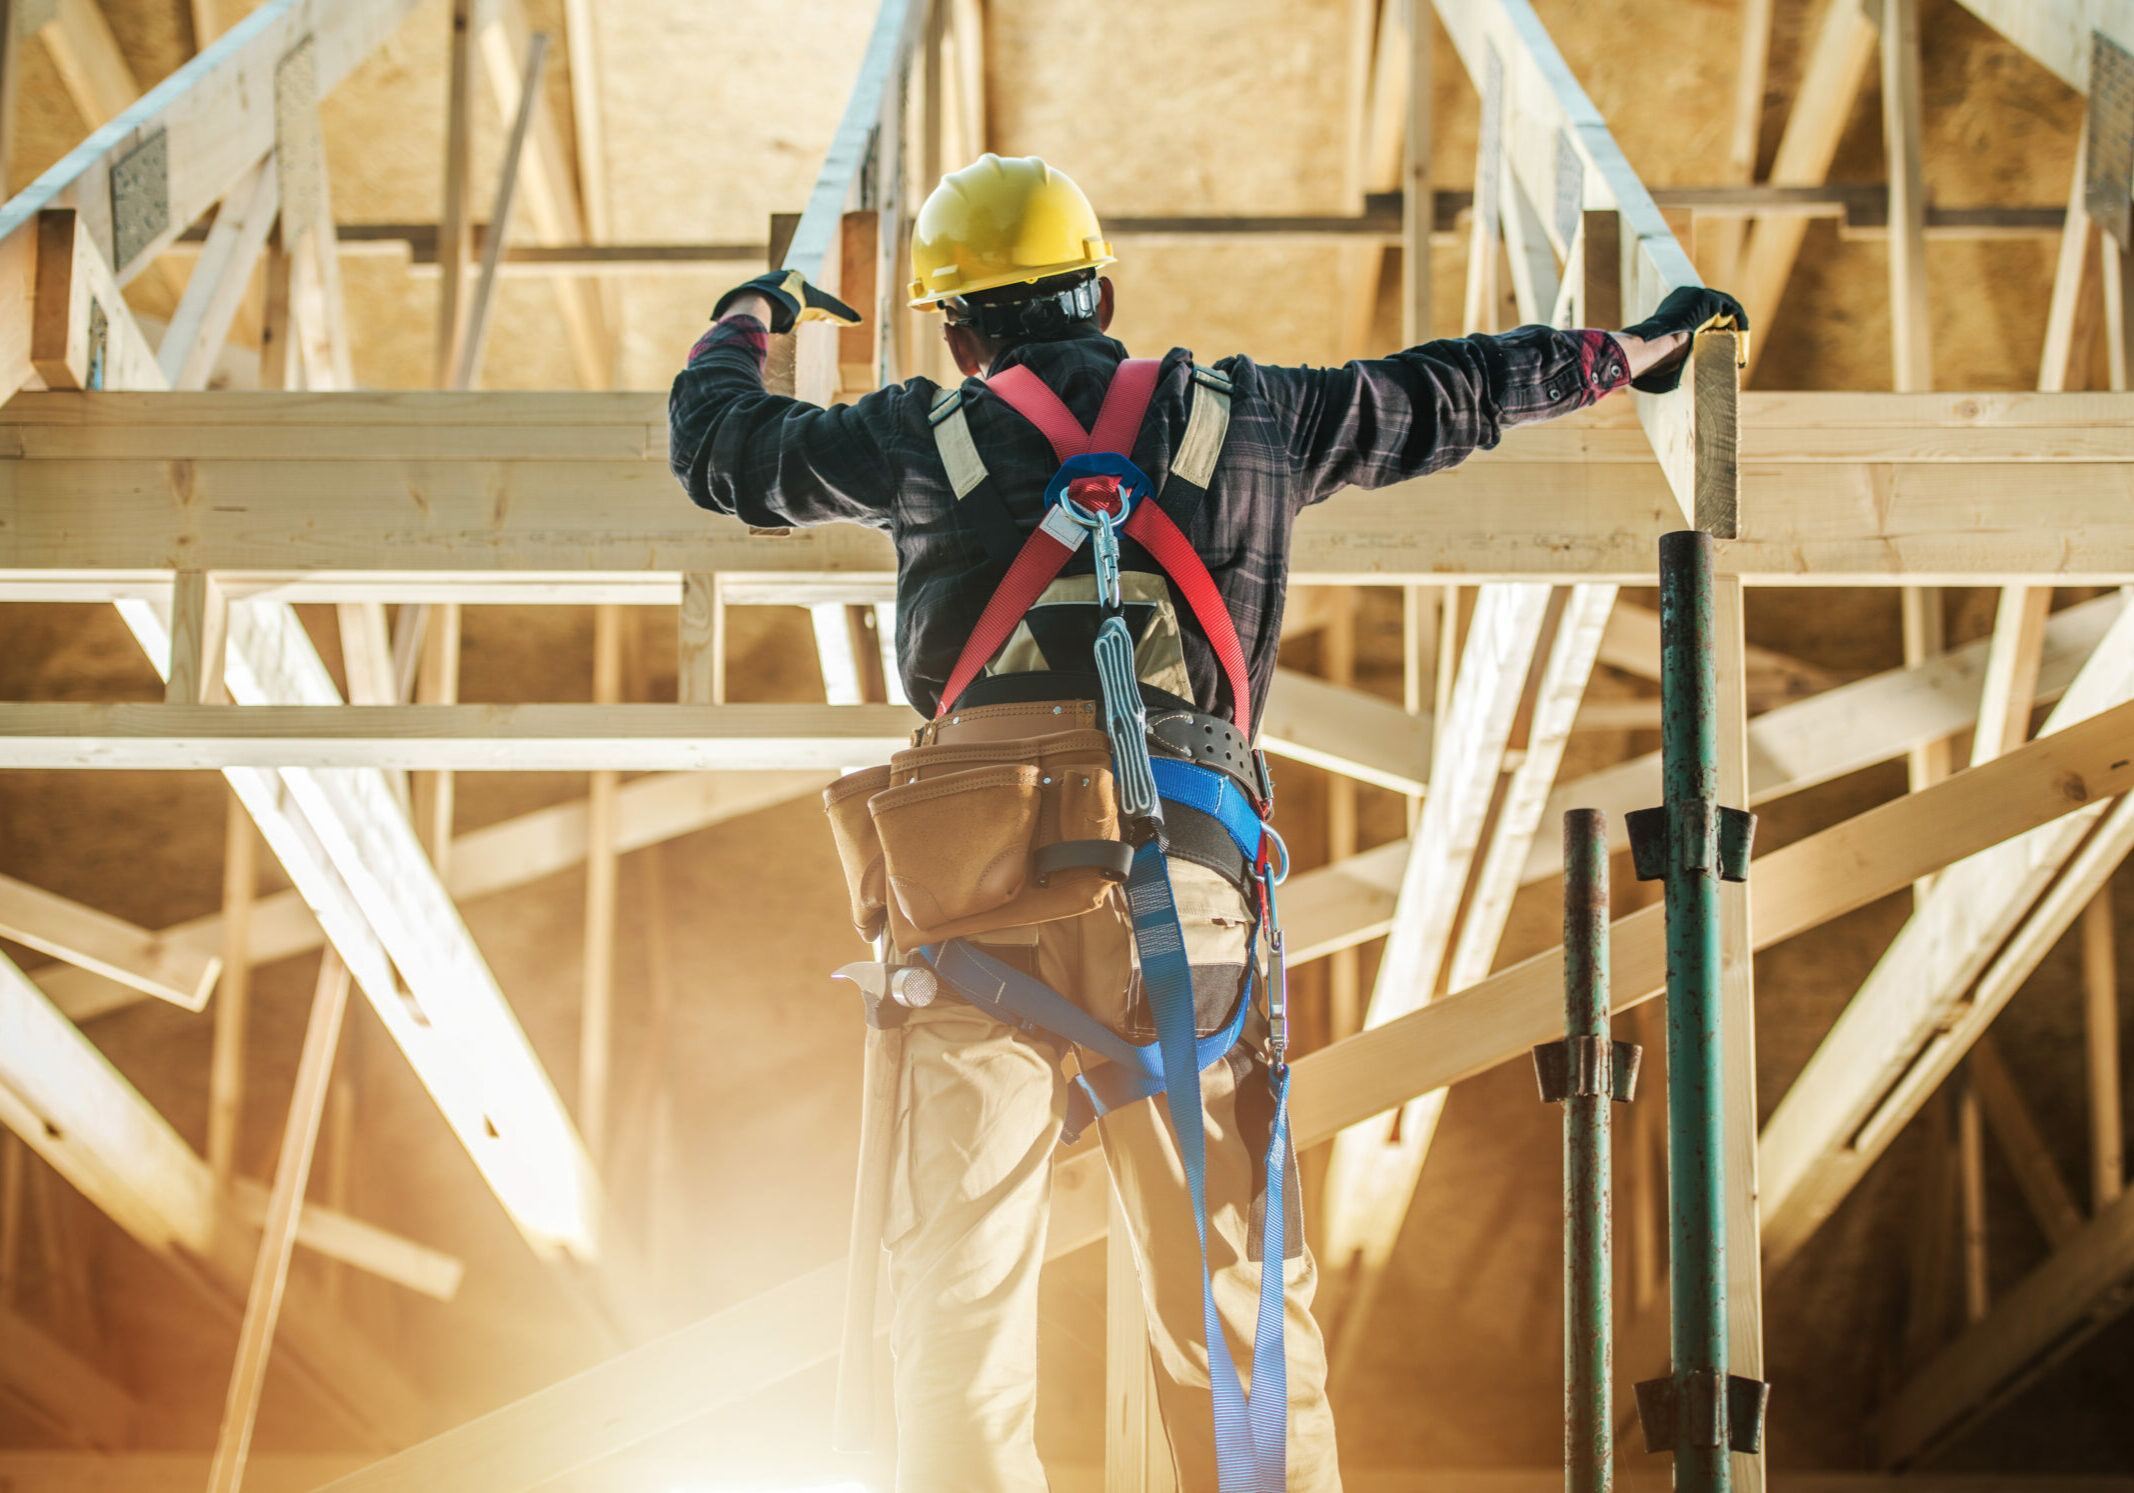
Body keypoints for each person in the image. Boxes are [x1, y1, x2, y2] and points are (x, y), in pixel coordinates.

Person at [670, 153, 1744, 1493]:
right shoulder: (1252, 420)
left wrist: (747, 317)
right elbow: (1452, 391)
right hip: (1175, 897)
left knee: (955, 1287)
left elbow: (719, 452)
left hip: (964, 906)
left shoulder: (915, 435)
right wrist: (1629, 349)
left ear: (957, 325)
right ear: (1101, 290)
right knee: (1232, 1295)